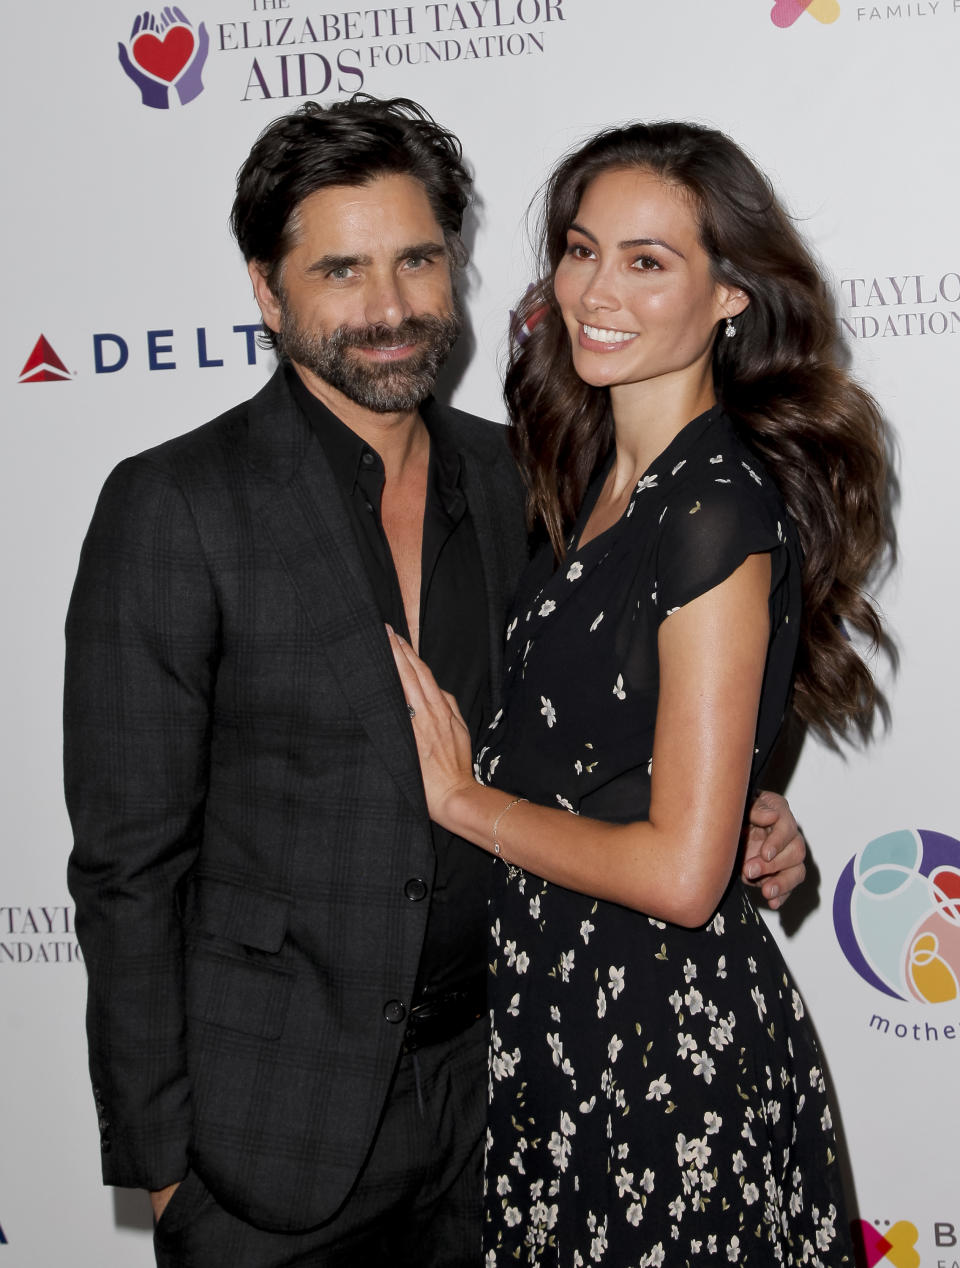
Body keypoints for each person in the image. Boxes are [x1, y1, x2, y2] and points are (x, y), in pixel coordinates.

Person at [65, 98, 807, 1268]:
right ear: (268, 291)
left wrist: (733, 812)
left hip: (508, 1099)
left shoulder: (529, 476)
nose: (392, 306)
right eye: (342, 270)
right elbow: (126, 866)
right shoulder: (176, 506)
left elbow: (590, 725)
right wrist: (167, 1175)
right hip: (272, 1139)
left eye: (417, 259)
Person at [388, 120, 888, 1265]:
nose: (594, 289)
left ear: (730, 296)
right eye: (579, 247)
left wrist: (461, 801)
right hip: (560, 1038)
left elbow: (676, 872)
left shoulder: (712, 503)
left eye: (647, 260)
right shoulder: (581, 477)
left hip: (662, 1058)